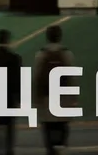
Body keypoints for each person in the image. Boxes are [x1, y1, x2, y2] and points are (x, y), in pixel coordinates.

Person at [33, 25, 76, 155]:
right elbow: (71, 77)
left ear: (47, 37)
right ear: (60, 37)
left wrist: (36, 98)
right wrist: (73, 98)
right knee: (62, 124)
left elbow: (37, 77)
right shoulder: (67, 54)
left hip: (46, 97)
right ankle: (61, 147)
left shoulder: (40, 54)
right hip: (63, 96)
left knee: (47, 125)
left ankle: (50, 150)